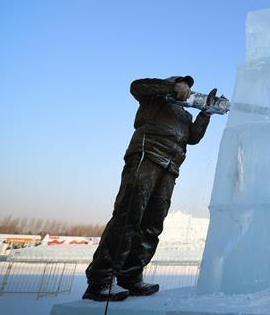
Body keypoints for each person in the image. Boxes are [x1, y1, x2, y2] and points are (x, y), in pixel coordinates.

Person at [84, 76, 215, 301]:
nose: (186, 89)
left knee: (152, 225)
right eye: (183, 84)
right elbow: (136, 86)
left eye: (187, 86)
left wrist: (205, 114)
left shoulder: (184, 114)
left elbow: (193, 138)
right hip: (147, 157)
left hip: (171, 167)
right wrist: (171, 86)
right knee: (129, 216)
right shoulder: (155, 97)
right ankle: (100, 280)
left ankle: (130, 276)